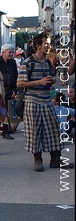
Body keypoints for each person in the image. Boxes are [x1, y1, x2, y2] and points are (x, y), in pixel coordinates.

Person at [16, 32, 74, 171]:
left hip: (47, 101)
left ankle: (56, 160)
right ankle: (38, 160)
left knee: (55, 129)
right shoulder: (28, 62)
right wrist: (38, 82)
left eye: (49, 43)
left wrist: (52, 81)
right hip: (32, 102)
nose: (49, 46)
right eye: (46, 44)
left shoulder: (48, 62)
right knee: (35, 132)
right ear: (38, 46)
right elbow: (19, 83)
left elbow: (52, 77)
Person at [0, 43, 18, 140]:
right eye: (9, 52)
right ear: (3, 52)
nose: (11, 54)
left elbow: (15, 76)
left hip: (10, 90)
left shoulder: (13, 62)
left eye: (12, 52)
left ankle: (5, 131)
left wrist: (15, 90)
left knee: (8, 111)